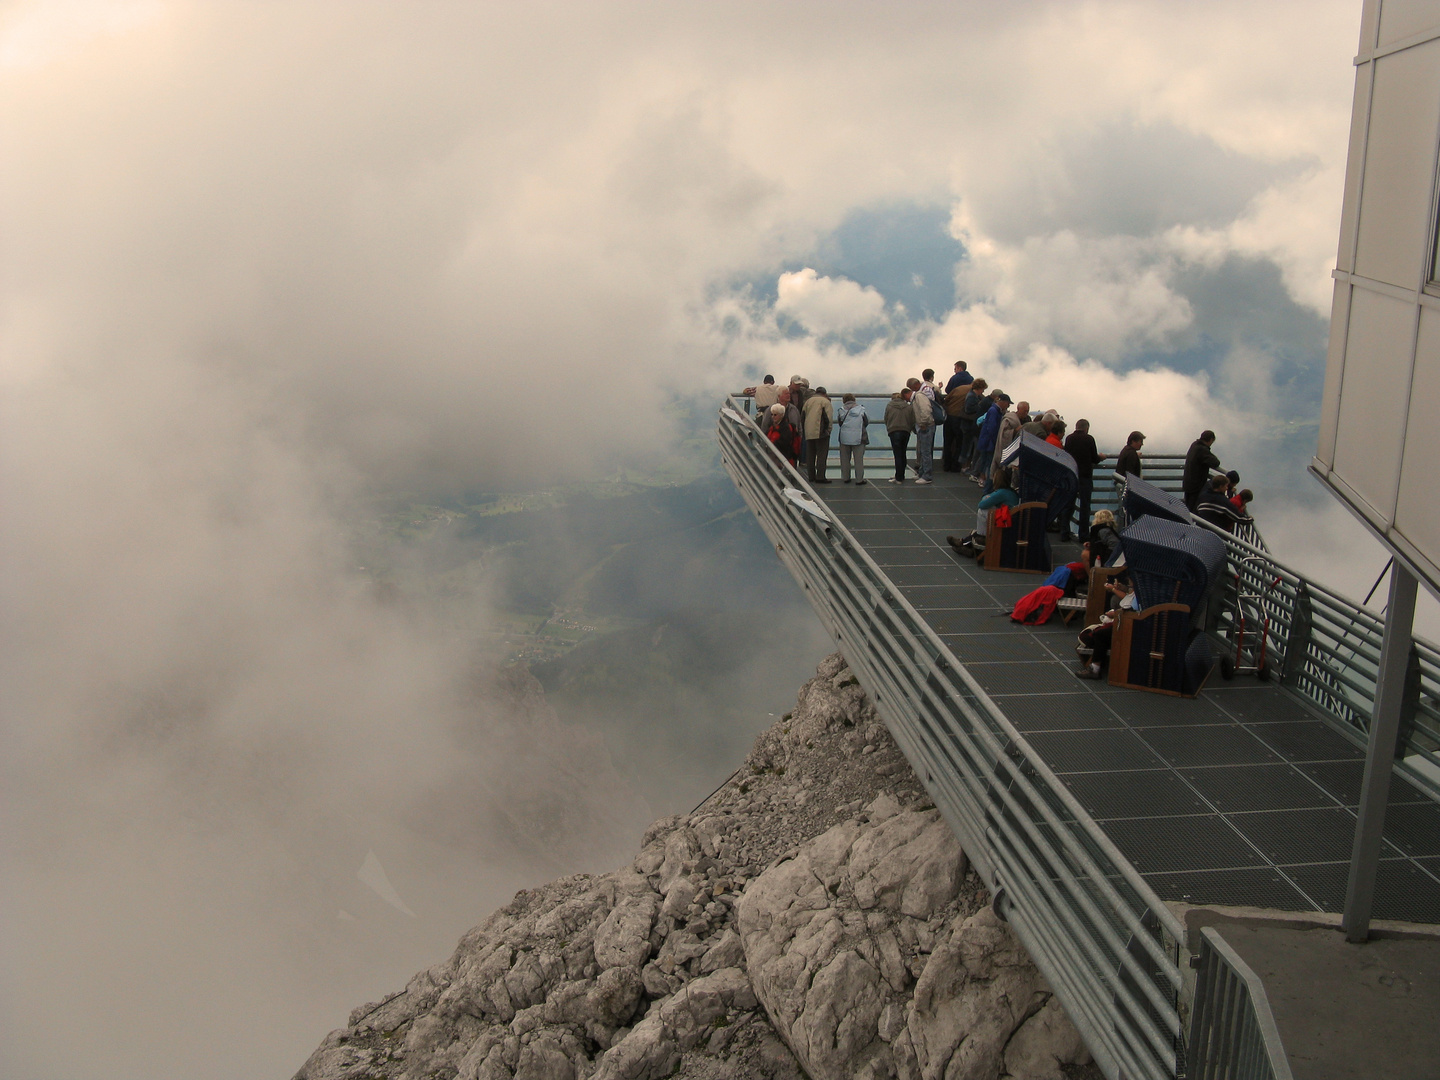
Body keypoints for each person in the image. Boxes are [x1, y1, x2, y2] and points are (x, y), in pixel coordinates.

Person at [947, 467, 1019, 557]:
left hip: (1005, 524)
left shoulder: (1001, 493)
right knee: (988, 509)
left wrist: (987, 497)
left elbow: (982, 504)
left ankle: (977, 537)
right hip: (1010, 521)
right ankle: (965, 543)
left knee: (982, 511)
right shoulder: (1008, 492)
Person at [1075, 577, 1138, 679]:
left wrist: (1116, 614)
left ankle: (1095, 669)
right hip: (1128, 619)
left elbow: (1133, 610)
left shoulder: (1141, 594)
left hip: (1131, 625)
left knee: (1100, 634)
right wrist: (1124, 588)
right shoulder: (1140, 590)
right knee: (1100, 632)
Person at [1060, 419, 1105, 543]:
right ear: (1086, 428)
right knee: (1085, 506)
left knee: (1068, 505)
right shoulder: (1089, 439)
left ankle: (1064, 533)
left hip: (1071, 476)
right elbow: (1094, 458)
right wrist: (1101, 457)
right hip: (1085, 476)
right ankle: (1083, 535)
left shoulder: (1069, 438)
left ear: (1076, 427)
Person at [989, 398, 1029, 489]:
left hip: (1015, 451)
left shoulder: (1026, 420)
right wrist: (1015, 431)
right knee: (1000, 471)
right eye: (1025, 411)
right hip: (1005, 449)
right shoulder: (1010, 419)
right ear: (1019, 409)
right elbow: (1003, 433)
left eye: (1027, 411)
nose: (1026, 413)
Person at [972, 391, 1009, 484]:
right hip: (989, 441)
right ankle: (983, 478)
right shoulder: (994, 411)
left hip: (986, 440)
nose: (1008, 406)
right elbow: (992, 427)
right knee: (987, 461)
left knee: (984, 459)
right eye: (1007, 403)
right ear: (1003, 402)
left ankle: (981, 477)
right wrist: (995, 440)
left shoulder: (993, 409)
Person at [802, 386, 835, 483]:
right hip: (821, 433)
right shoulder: (825, 402)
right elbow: (828, 418)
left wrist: (805, 430)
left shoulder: (808, 402)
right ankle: (820, 477)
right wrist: (828, 431)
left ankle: (811, 476)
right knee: (821, 456)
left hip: (808, 432)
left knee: (810, 456)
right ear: (824, 393)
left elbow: (802, 417)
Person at [1183, 430, 1221, 511]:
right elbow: (1215, 462)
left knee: (1188, 507)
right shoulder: (1202, 450)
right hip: (1195, 486)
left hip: (1188, 482)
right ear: (1210, 440)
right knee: (1193, 509)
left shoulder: (1194, 445)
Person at [835, 393, 869, 485]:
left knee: (845, 459)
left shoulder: (841, 410)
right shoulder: (861, 409)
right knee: (858, 460)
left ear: (844, 400)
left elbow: (840, 423)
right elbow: (866, 422)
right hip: (859, 437)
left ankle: (846, 477)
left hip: (844, 438)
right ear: (854, 400)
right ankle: (859, 479)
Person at [885, 387, 916, 484]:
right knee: (903, 453)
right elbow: (912, 419)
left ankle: (898, 477)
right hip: (905, 431)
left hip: (894, 430)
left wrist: (889, 428)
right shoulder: (908, 406)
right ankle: (901, 475)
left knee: (897, 454)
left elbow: (886, 418)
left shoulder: (890, 406)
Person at [956, 377, 988, 472]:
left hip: (967, 425)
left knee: (968, 445)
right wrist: (980, 407)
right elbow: (968, 409)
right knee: (967, 446)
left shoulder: (973, 395)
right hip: (968, 425)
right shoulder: (972, 397)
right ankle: (964, 466)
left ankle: (965, 465)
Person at [909, 376, 936, 485]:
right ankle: (922, 473)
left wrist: (923, 423)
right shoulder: (923, 393)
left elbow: (926, 410)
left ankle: (927, 475)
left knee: (925, 451)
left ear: (915, 385)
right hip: (924, 425)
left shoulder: (920, 396)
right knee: (924, 450)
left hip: (925, 426)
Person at [1114, 430, 1145, 495]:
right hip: (1127, 487)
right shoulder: (1131, 454)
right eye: (1140, 442)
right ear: (1133, 441)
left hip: (1121, 484)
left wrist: (1135, 455)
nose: (1142, 444)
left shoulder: (1126, 450)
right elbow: (1130, 472)